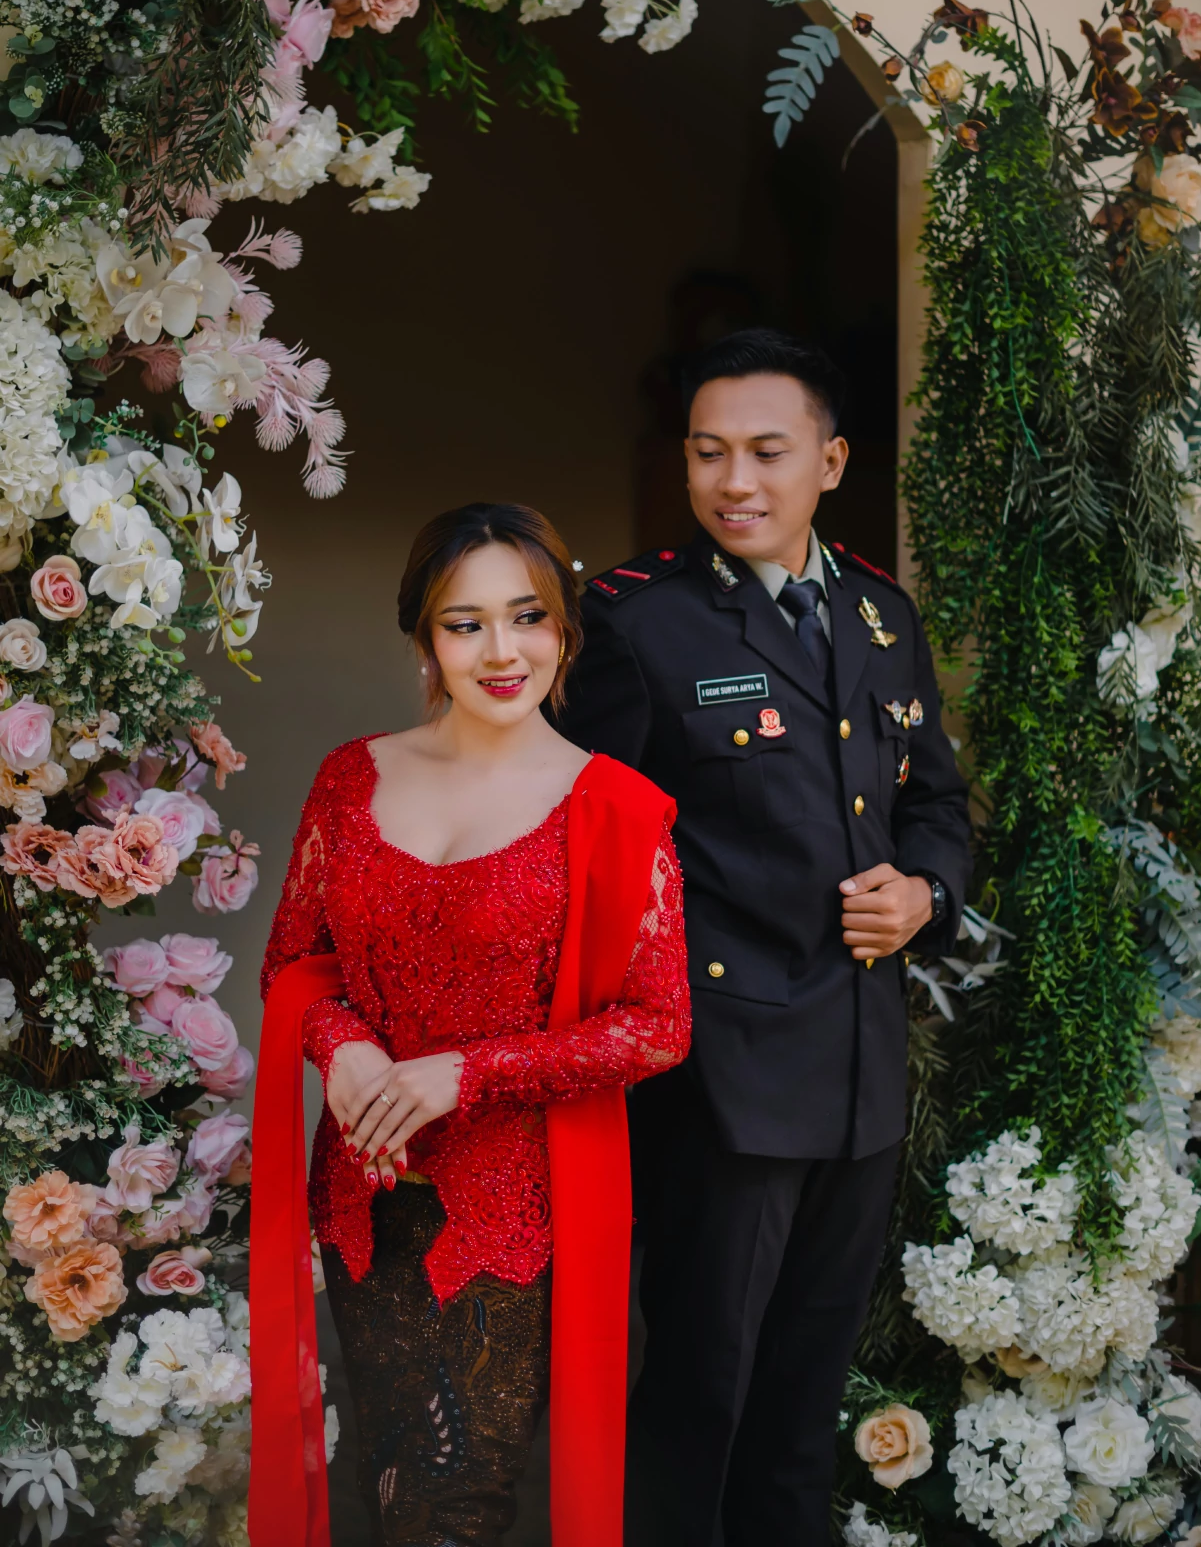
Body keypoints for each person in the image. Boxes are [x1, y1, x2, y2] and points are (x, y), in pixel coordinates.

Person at [555, 329, 972, 1545]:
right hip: (720, 1076)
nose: (733, 481)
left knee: (802, 1403)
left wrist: (925, 895)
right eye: (708, 452)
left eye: (765, 453)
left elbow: (934, 803)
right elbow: (580, 850)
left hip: (859, 1070)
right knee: (701, 1396)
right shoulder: (636, 622)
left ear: (829, 463)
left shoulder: (881, 616)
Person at [249, 502, 690, 1547]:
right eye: (465, 624)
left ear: (565, 630)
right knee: (390, 1482)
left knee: (457, 1505)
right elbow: (293, 965)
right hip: (362, 1201)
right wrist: (342, 1045)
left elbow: (658, 1024)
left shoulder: (615, 807)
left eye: (527, 617)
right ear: (424, 637)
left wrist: (463, 1074)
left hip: (511, 1216)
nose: (502, 651)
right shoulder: (350, 778)